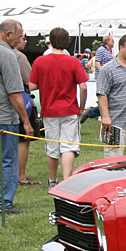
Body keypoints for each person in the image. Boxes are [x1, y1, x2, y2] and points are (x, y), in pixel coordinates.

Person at [28, 27, 88, 185]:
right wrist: (81, 107)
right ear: (67, 42)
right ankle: (66, 180)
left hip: (49, 110)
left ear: (50, 42)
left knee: (52, 146)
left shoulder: (40, 61)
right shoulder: (73, 61)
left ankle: (53, 179)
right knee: (68, 146)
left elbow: (32, 85)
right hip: (69, 109)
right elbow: (83, 87)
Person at [0, 19, 34, 215]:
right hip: (3, 118)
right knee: (7, 160)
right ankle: (3, 203)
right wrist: (26, 121)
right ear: (7, 34)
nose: (20, 39)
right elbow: (15, 93)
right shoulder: (7, 55)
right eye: (18, 36)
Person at [12, 32, 41, 186]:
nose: (25, 41)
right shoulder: (19, 57)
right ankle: (21, 176)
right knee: (24, 139)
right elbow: (30, 81)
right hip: (21, 101)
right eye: (23, 38)